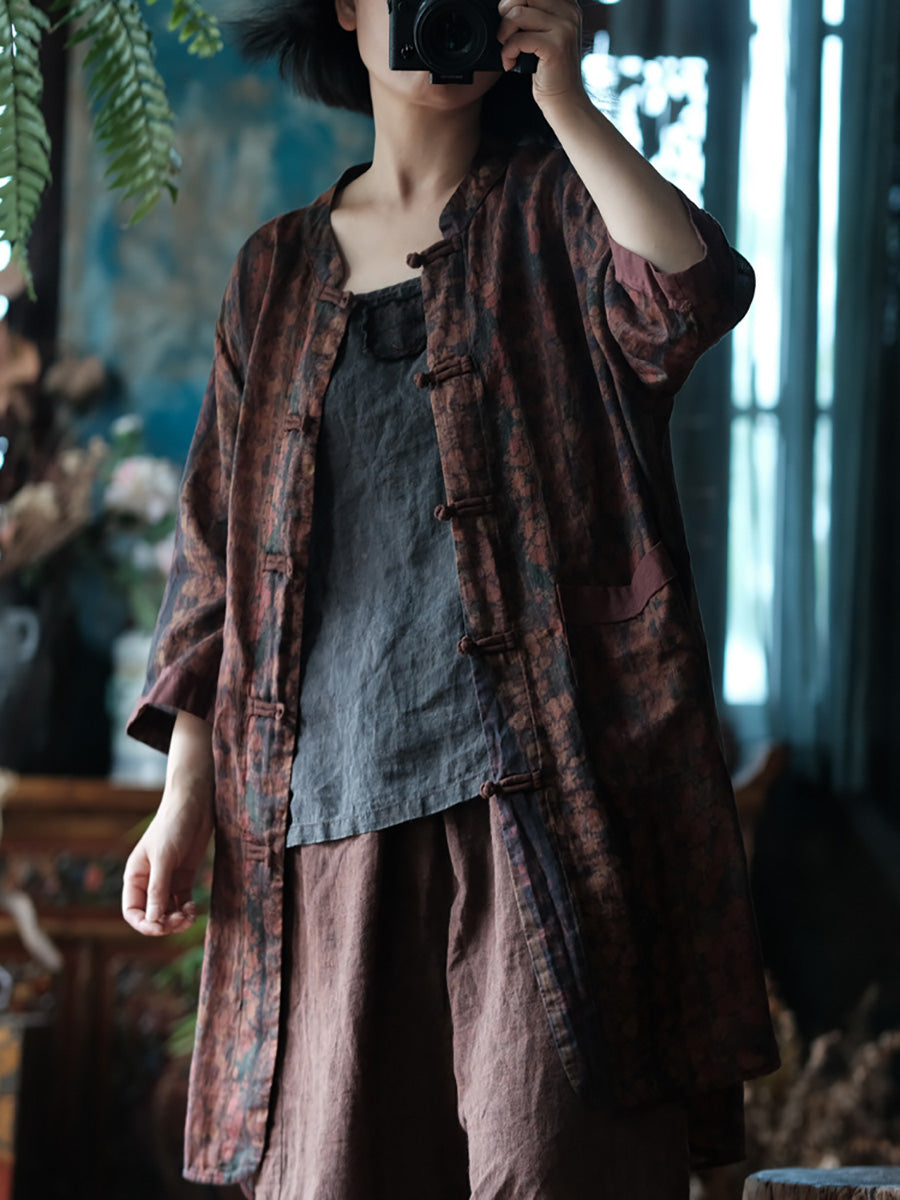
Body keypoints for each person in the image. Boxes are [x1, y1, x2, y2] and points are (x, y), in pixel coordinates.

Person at [121, 0, 780, 1193]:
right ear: (347, 8)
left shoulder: (559, 211)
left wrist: (567, 98)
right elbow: (213, 565)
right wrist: (183, 800)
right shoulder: (273, 274)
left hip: (548, 812)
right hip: (321, 822)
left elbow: (689, 298)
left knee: (557, 1163)